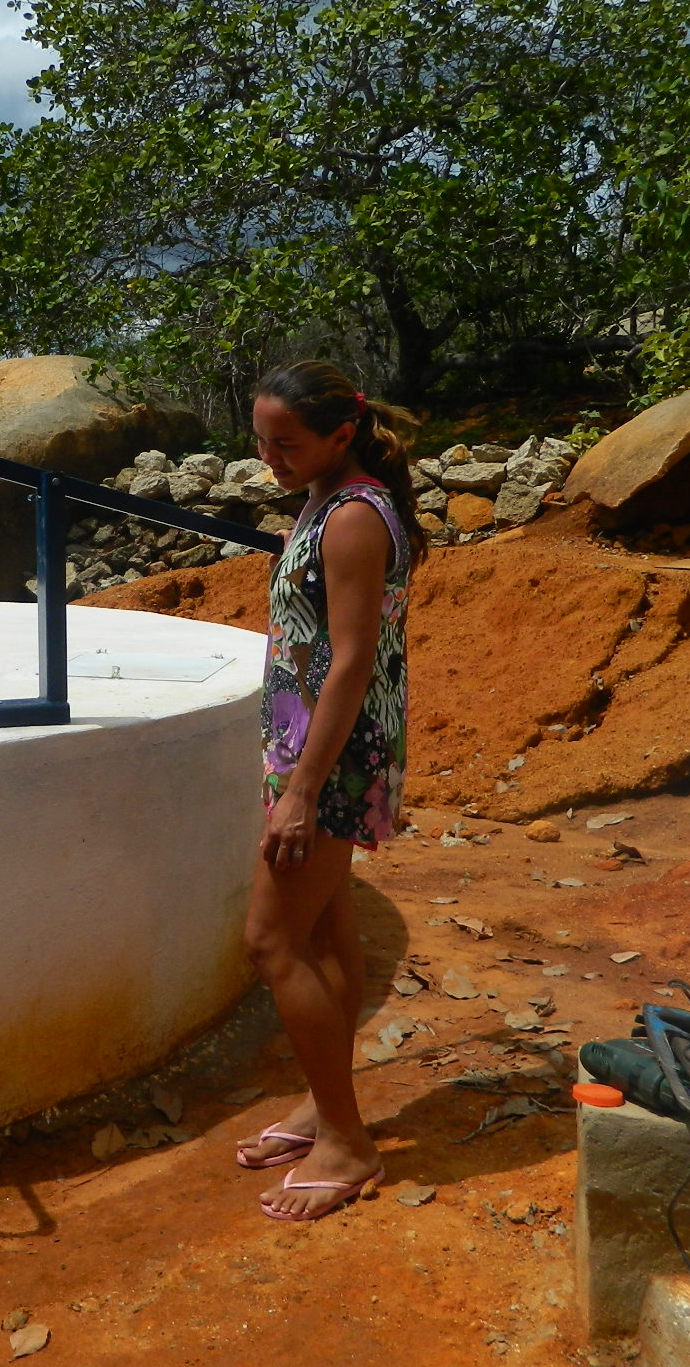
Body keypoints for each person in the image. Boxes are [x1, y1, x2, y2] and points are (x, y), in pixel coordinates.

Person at [233, 360, 424, 1222]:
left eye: (287, 442)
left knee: (272, 941)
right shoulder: (324, 495)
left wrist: (303, 788)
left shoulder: (351, 519)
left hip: (332, 760)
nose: (270, 457)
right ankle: (326, 1105)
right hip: (310, 750)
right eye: (262, 440)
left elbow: (351, 662)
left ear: (340, 435)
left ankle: (347, 1144)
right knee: (324, 924)